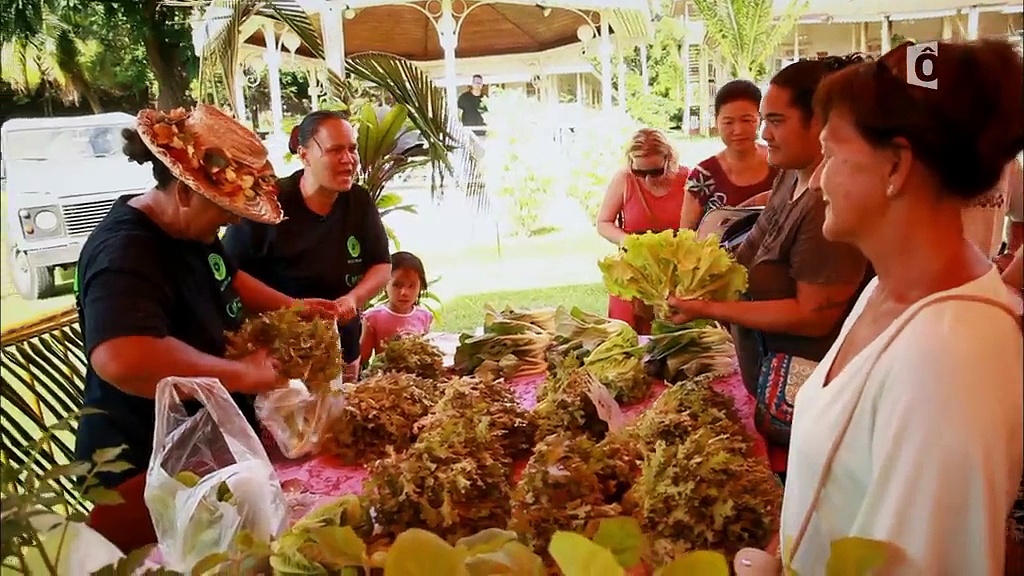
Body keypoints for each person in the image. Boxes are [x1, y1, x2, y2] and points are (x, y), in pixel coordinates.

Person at [776, 40, 1023, 574]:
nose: (818, 180)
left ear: (896, 165)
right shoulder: (886, 289)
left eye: (834, 155)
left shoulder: (947, 356)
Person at [75, 105, 338, 551]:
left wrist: (294, 307)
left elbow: (226, 275)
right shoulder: (126, 252)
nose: (233, 220)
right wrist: (242, 374)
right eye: (224, 208)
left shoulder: (188, 230)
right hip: (143, 467)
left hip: (202, 457)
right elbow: (122, 357)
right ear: (182, 192)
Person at [667, 55, 871, 482]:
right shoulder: (788, 177)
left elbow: (813, 317)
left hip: (812, 399)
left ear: (821, 123)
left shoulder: (825, 206)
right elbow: (752, 249)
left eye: (775, 120)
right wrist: (695, 283)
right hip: (774, 387)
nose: (763, 134)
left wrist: (711, 310)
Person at [223, 111, 392, 382]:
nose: (348, 160)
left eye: (352, 149)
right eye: (336, 150)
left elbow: (381, 265)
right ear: (304, 155)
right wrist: (294, 307)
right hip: (277, 357)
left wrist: (353, 299)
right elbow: (231, 275)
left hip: (343, 347)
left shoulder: (358, 201)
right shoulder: (267, 203)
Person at [596, 128, 688, 334]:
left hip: (674, 271)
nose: (647, 179)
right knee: (629, 341)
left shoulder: (687, 179)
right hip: (633, 272)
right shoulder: (624, 179)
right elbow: (603, 222)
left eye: (655, 171)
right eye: (640, 172)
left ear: (669, 159)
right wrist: (630, 242)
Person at [679, 80, 779, 230]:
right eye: (728, 122)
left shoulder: (781, 163)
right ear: (716, 121)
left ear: (760, 120)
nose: (738, 130)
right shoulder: (703, 176)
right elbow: (686, 235)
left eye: (747, 120)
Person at [360, 251, 434, 364]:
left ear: (421, 287)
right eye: (397, 285)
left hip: (416, 378)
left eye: (411, 286)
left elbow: (426, 354)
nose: (404, 292)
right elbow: (362, 357)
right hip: (386, 378)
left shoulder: (424, 316)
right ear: (385, 284)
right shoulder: (373, 318)